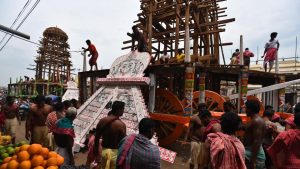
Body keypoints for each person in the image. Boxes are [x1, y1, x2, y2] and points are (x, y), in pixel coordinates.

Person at [94, 101, 126, 169]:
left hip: (104, 152)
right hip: (115, 153)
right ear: (119, 110)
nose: (123, 111)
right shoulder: (121, 125)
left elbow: (96, 138)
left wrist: (96, 153)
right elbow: (123, 144)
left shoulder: (102, 121)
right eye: (123, 109)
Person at [244, 100, 266, 169]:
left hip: (254, 155)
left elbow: (257, 141)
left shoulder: (257, 121)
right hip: (251, 152)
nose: (245, 110)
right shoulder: (255, 120)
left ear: (250, 109)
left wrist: (252, 161)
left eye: (246, 108)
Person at [184, 103, 207, 169]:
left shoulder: (207, 117)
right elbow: (189, 129)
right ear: (198, 109)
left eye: (204, 107)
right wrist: (185, 140)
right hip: (195, 140)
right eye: (201, 108)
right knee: (193, 160)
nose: (203, 109)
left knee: (201, 161)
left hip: (203, 141)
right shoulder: (195, 117)